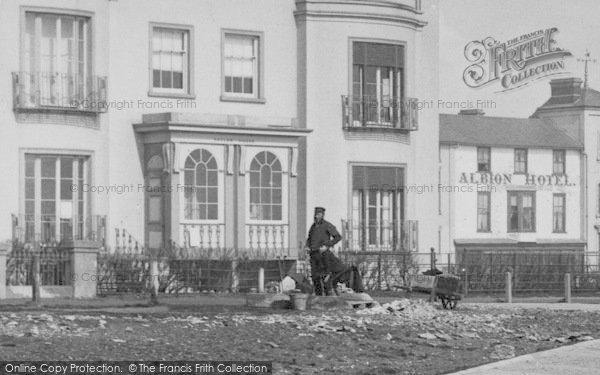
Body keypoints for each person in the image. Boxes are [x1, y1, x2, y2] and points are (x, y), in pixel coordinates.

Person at [304, 207, 342, 296]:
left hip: (323, 255)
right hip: (313, 255)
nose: (316, 216)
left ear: (322, 215)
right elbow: (309, 239)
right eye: (315, 214)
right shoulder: (313, 227)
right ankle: (318, 296)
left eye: (318, 214)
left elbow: (338, 237)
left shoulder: (327, 225)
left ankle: (328, 296)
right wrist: (307, 247)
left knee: (325, 276)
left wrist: (327, 246)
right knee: (315, 277)